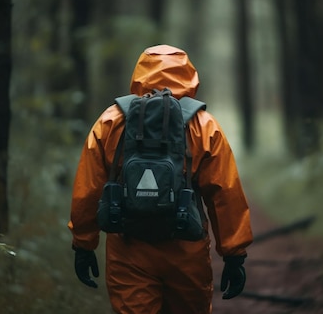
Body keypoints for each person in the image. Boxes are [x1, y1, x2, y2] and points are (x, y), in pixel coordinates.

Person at [68, 44, 253, 314]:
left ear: (139, 74)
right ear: (189, 75)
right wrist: (234, 254)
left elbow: (89, 189)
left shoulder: (111, 121)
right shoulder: (204, 126)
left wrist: (83, 244)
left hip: (128, 249)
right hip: (186, 248)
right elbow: (224, 192)